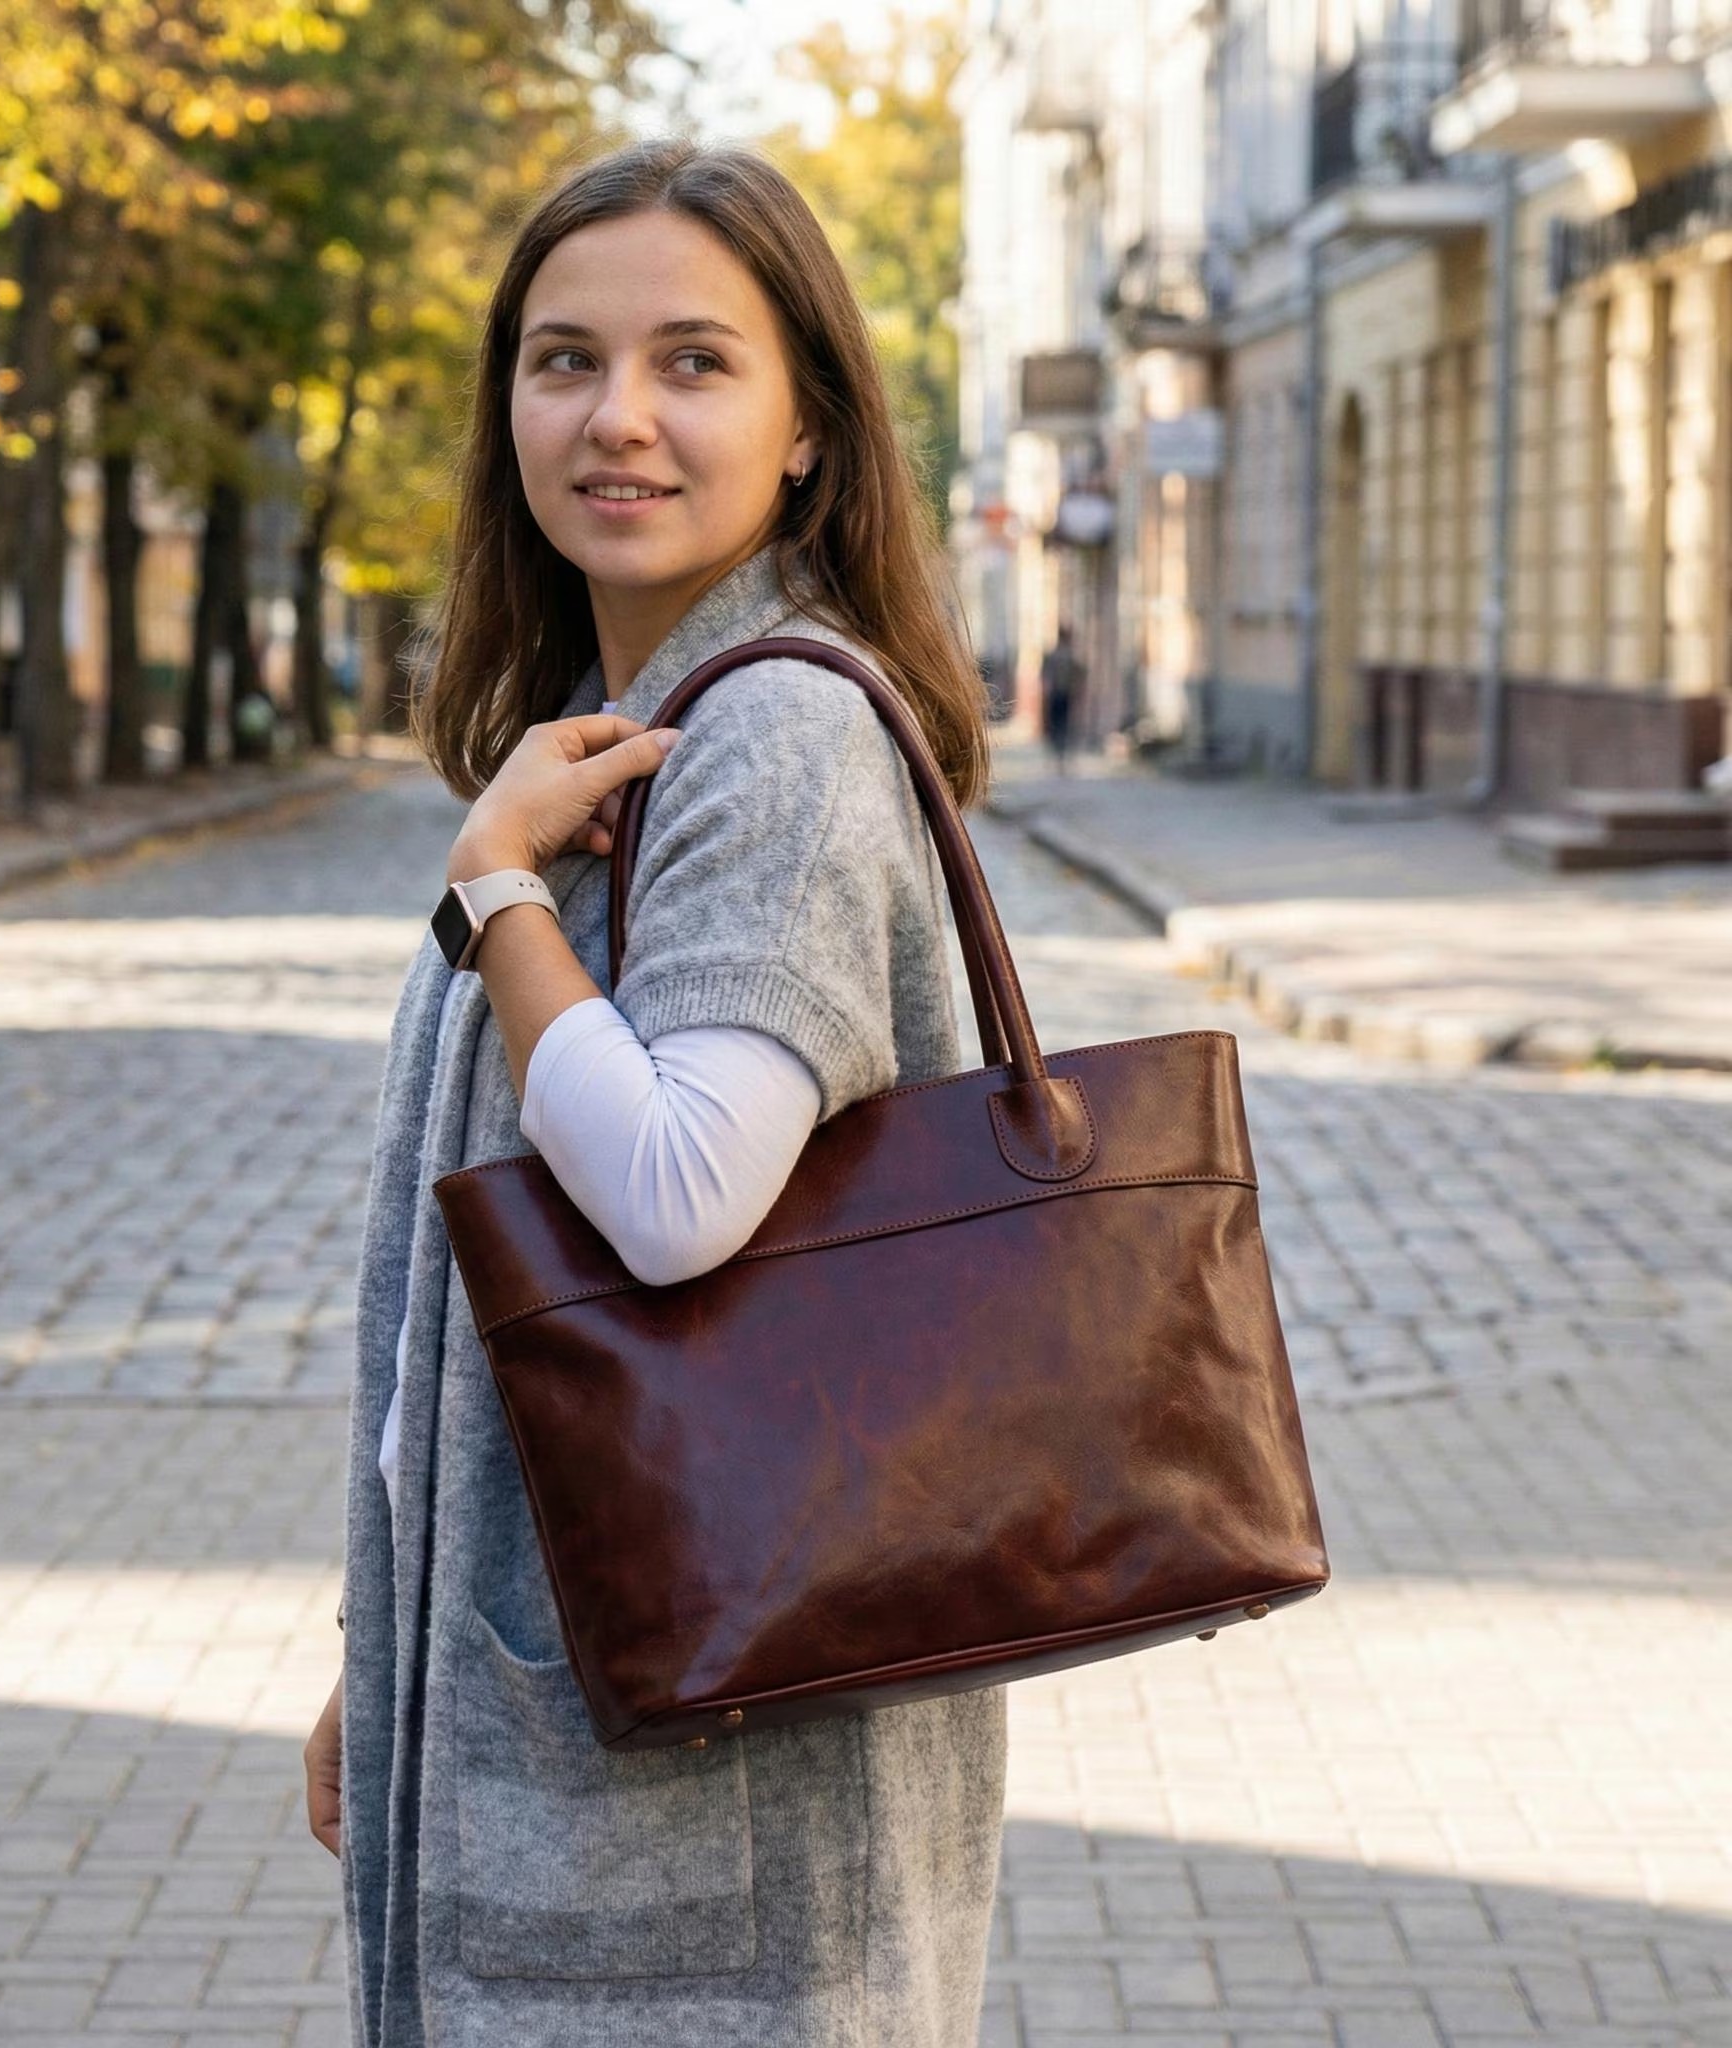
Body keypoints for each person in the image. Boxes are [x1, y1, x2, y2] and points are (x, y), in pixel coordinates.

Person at [302, 139, 1005, 2048]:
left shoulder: (768, 730)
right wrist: (403, 1637)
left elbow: (679, 1189)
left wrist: (496, 894)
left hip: (717, 1797)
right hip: (605, 1717)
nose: (616, 417)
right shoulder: (623, 733)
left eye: (694, 361)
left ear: (804, 433)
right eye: (560, 361)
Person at [1038, 622, 1085, 771]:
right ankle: (1062, 757)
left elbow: (1045, 676)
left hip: (1057, 695)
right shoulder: (1070, 656)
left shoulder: (1053, 655)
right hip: (1065, 694)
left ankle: (1058, 756)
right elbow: (1080, 675)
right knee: (1064, 725)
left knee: (1056, 725)